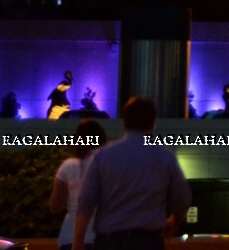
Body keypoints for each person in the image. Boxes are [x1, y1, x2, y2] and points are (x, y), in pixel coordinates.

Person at [74, 97, 192, 250]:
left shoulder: (102, 156)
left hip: (109, 241)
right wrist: (173, 221)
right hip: (148, 241)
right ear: (153, 123)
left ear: (124, 122)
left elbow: (86, 202)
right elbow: (183, 200)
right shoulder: (166, 158)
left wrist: (77, 244)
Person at [50, 117, 103, 249]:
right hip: (101, 234)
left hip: (71, 235)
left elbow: (55, 206)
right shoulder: (107, 164)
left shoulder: (68, 166)